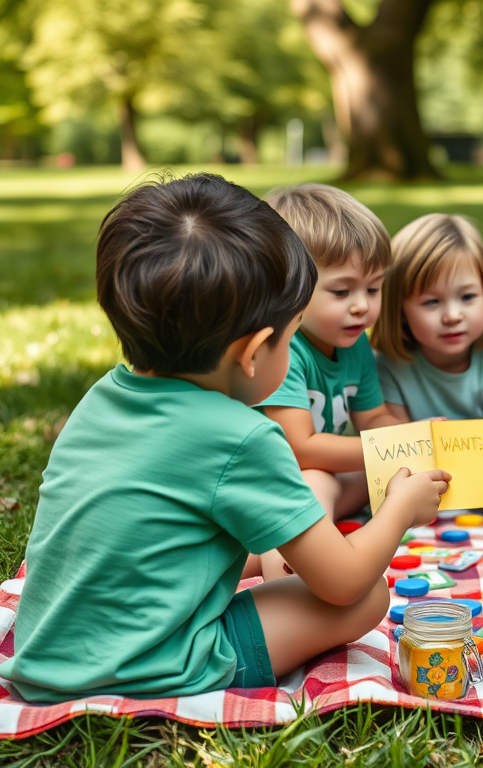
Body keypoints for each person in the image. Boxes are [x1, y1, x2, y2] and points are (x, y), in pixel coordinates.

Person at [0, 174, 449, 702]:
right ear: (256, 349)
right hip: (156, 664)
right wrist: (400, 506)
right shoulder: (246, 438)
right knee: (367, 597)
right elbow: (345, 581)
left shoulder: (101, 398)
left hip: (50, 650)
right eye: (292, 331)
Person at [258, 184, 401, 579]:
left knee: (389, 478)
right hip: (271, 480)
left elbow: (374, 418)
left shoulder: (353, 341)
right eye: (342, 291)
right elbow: (300, 450)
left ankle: (267, 548)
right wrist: (384, 451)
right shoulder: (283, 348)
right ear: (288, 288)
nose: (362, 305)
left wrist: (409, 442)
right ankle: (287, 569)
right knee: (318, 478)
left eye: (374, 288)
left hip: (326, 482)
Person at [372, 214, 483, 499]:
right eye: (431, 302)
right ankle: (435, 501)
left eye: (467, 298)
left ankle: (469, 497)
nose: (453, 316)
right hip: (418, 471)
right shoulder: (387, 363)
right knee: (362, 469)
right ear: (399, 309)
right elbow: (395, 446)